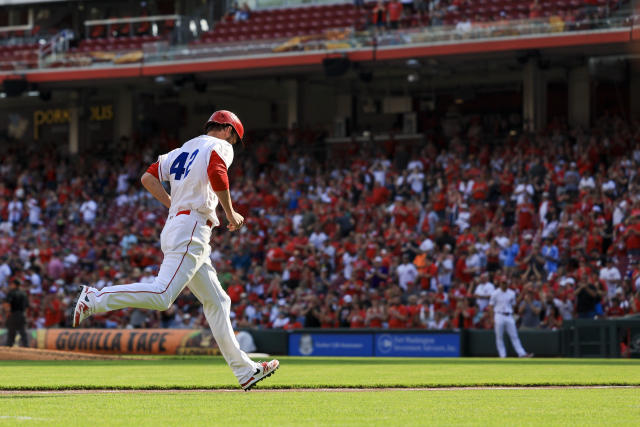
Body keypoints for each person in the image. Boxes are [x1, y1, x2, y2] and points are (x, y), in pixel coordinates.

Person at [71, 110, 279, 391]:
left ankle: (245, 371)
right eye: (234, 138)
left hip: (180, 225)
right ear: (229, 131)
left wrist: (174, 206)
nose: (233, 144)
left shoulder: (182, 149)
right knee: (162, 295)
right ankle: (94, 299)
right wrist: (230, 212)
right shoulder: (220, 145)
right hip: (192, 226)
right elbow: (217, 172)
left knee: (218, 302)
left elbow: (148, 177)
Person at [489, 277, 533, 358]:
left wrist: (523, 293)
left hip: (509, 315)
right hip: (499, 314)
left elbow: (514, 305)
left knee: (514, 336)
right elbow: (490, 306)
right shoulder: (495, 293)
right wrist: (492, 318)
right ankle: (503, 355)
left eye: (505, 283)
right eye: (502, 283)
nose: (504, 284)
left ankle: (522, 354)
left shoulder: (511, 293)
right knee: (499, 337)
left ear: (507, 283)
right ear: (500, 283)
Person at [4, 279, 29, 347]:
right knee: (23, 332)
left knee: (11, 332)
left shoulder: (11, 293)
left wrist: (7, 313)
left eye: (12, 284)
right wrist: (24, 315)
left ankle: (8, 347)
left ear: (15, 285)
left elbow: (7, 303)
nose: (11, 285)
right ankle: (27, 347)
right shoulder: (24, 293)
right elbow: (27, 306)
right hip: (22, 314)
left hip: (13, 314)